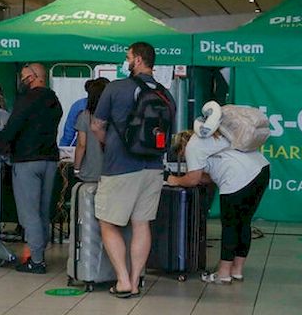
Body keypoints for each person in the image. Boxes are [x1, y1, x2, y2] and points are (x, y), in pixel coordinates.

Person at [91, 42, 175, 298]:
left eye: (128, 57)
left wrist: (112, 144)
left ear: (138, 60)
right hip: (152, 167)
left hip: (120, 167)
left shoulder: (116, 88)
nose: (126, 61)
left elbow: (97, 126)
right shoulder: (165, 94)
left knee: (107, 222)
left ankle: (123, 280)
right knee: (141, 224)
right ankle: (137, 281)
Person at [0, 63, 62, 273]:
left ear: (32, 77)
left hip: (27, 162)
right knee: (42, 212)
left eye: (23, 77)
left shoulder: (27, 100)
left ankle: (37, 261)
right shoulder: (54, 100)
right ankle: (40, 253)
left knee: (29, 214)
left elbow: (11, 129)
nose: (21, 81)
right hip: (49, 161)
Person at [167, 106, 269, 285]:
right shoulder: (217, 134)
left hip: (238, 179)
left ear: (181, 148)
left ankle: (223, 274)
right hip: (261, 170)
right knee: (243, 223)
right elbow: (209, 174)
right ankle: (236, 270)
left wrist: (174, 180)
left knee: (230, 225)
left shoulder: (193, 146)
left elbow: (193, 179)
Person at [73, 78, 109, 182]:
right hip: (111, 172)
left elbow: (81, 145)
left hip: (89, 172)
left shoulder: (85, 116)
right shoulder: (114, 116)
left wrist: (76, 169)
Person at [60, 79, 96, 147]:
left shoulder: (78, 105)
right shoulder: (106, 104)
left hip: (80, 146)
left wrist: (62, 149)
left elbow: (69, 132)